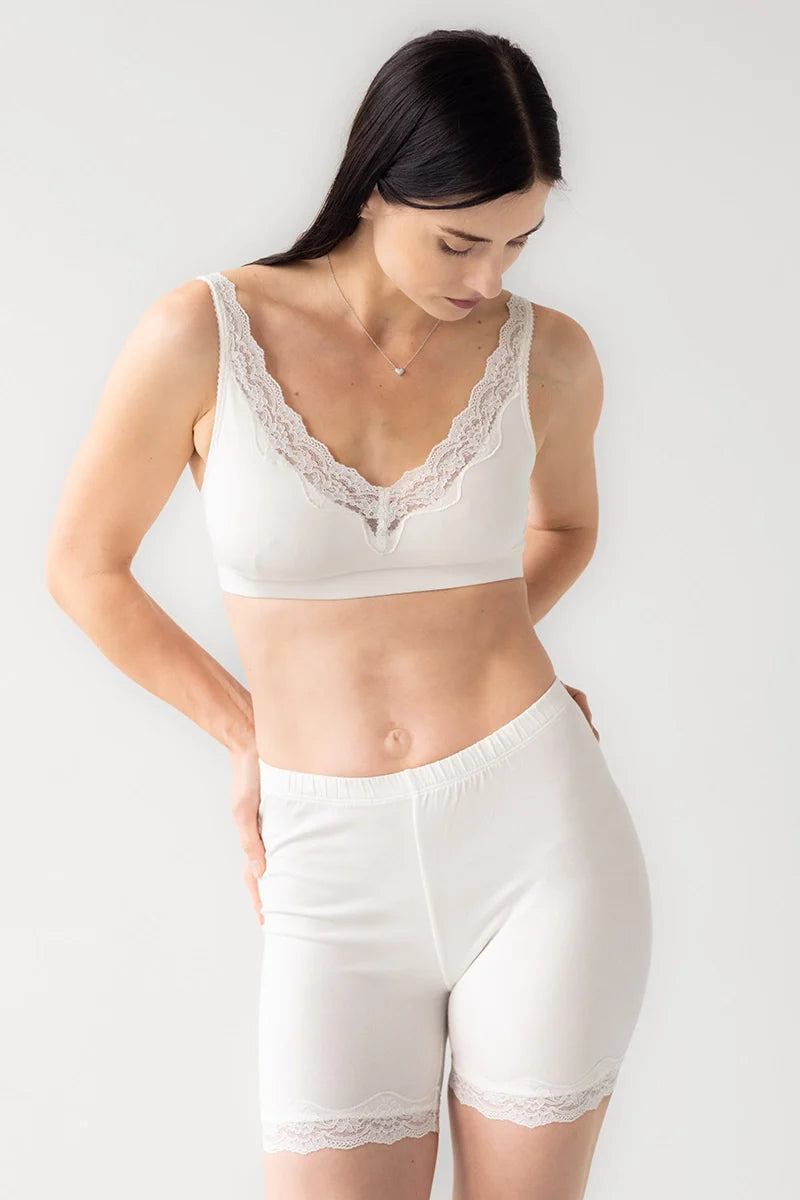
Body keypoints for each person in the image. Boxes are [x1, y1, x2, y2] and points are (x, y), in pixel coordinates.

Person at [45, 27, 652, 1200]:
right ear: (376, 185)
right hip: (325, 859)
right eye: (458, 241)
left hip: (539, 832)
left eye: (518, 242)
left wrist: (495, 639)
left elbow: (567, 529)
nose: (486, 279)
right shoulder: (202, 333)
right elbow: (84, 567)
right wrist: (245, 732)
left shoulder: (549, 356)